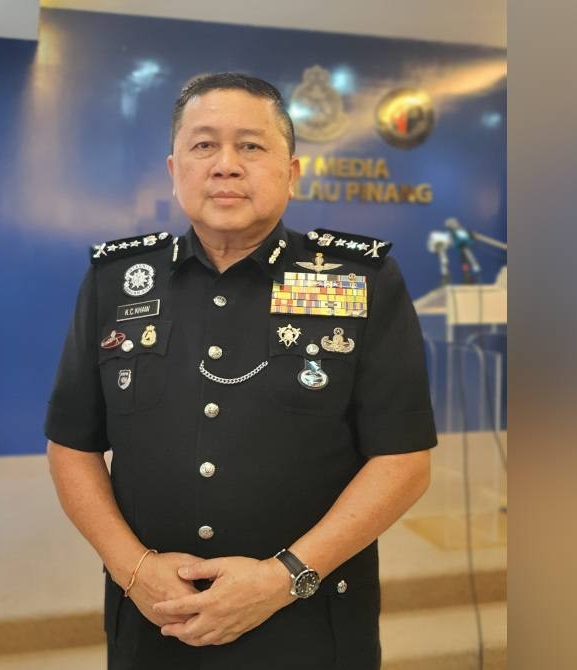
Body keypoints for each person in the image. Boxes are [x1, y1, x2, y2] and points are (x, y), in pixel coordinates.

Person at [45, 72, 436, 670]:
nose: (226, 165)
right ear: (174, 169)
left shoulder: (359, 281)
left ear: (292, 172)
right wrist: (135, 570)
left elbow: (404, 461)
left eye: (251, 146)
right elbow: (72, 445)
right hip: (156, 619)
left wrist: (283, 578)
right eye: (204, 145)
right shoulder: (117, 282)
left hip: (310, 621)